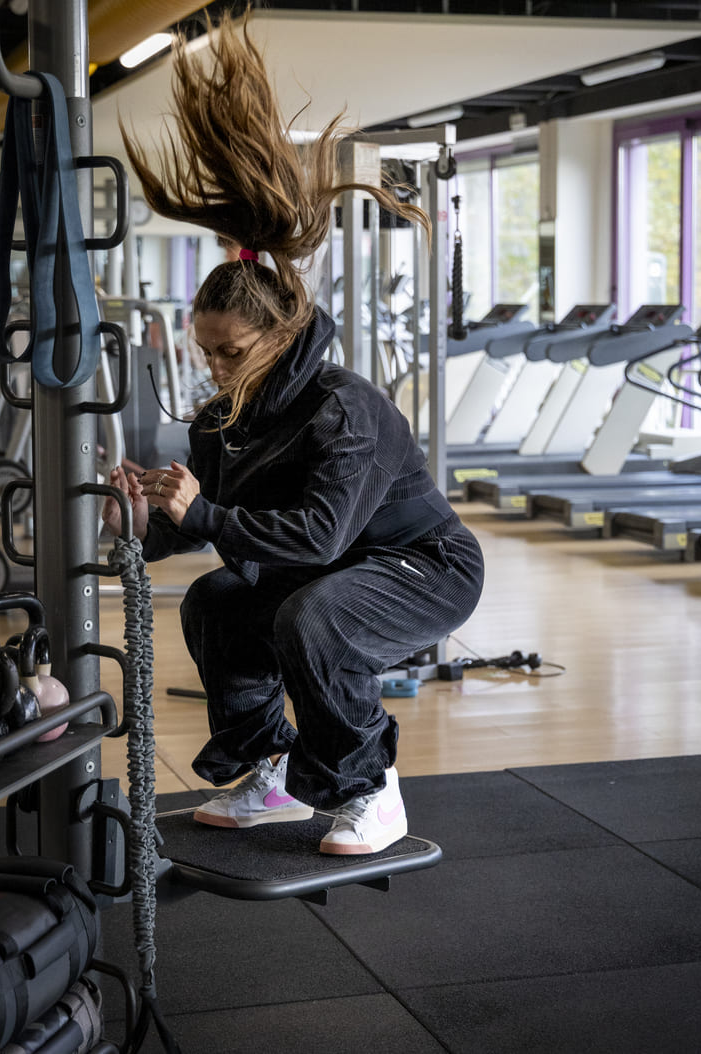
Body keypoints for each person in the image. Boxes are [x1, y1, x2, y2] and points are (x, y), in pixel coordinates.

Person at [102, 13, 484, 856]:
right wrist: (140, 517)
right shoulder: (221, 419)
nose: (213, 369)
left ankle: (369, 789)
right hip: (335, 572)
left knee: (313, 616)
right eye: (205, 351)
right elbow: (190, 534)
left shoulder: (347, 410)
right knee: (218, 603)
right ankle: (271, 771)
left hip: (422, 570)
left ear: (277, 337)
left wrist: (203, 517)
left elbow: (317, 536)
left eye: (228, 352)